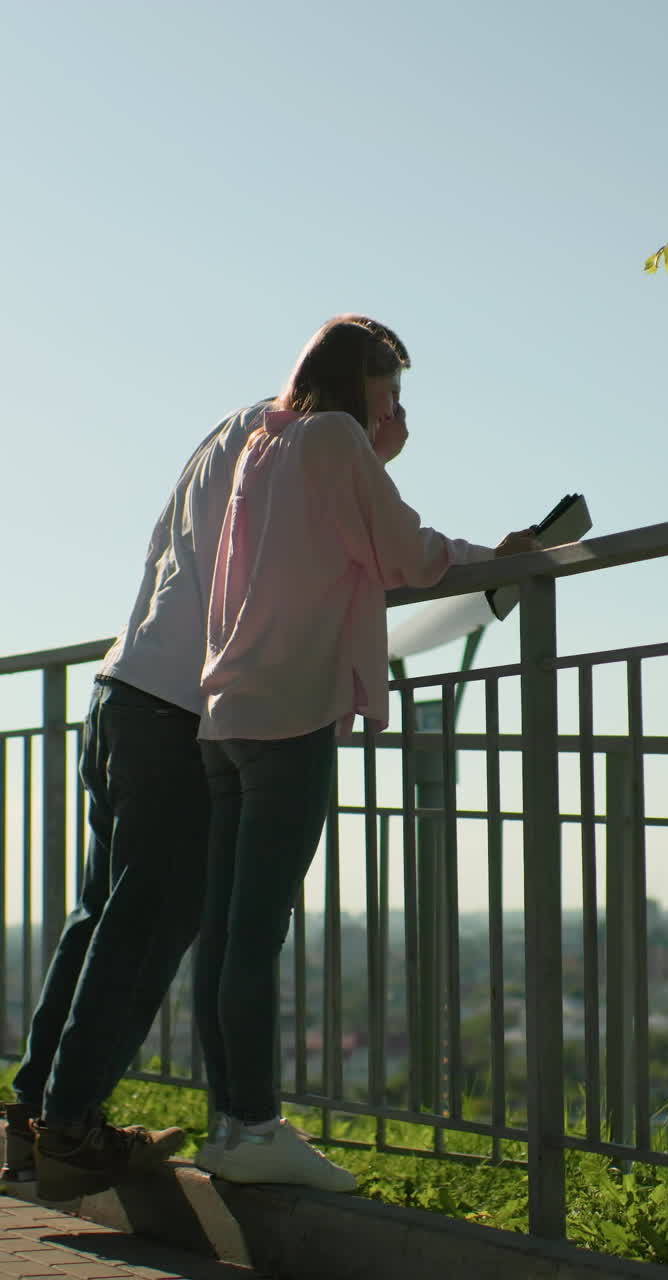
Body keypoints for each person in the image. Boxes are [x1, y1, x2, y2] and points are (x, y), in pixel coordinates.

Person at [191, 317, 538, 1192]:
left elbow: (316, 544)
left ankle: (230, 1126)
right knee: (256, 935)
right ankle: (261, 1126)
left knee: (228, 933)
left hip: (227, 710)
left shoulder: (266, 447)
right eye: (391, 387)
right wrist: (493, 555)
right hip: (289, 713)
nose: (398, 406)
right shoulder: (337, 437)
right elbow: (403, 551)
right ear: (362, 380)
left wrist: (372, 466)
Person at [0, 399, 270, 1201]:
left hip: (121, 692)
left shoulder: (224, 437)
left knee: (104, 914)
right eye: (386, 398)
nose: (396, 419)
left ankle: (31, 1117)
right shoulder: (293, 445)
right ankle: (72, 1129)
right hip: (172, 711)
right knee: (151, 917)